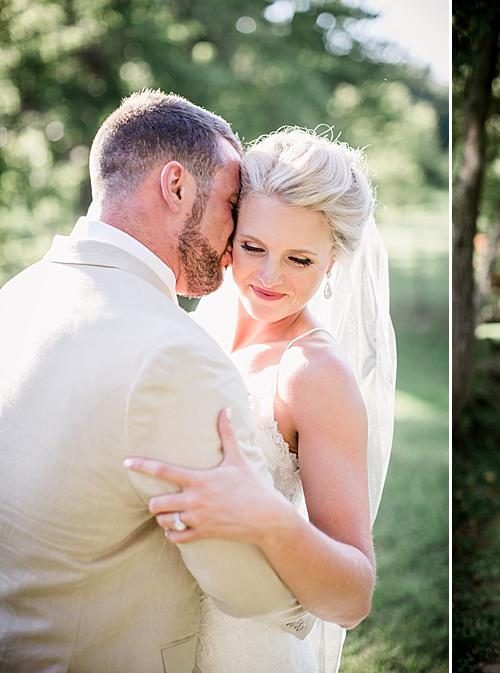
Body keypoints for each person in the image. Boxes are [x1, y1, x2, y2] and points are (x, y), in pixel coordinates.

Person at [0, 91, 311, 673]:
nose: (232, 240)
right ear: (176, 187)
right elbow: (253, 594)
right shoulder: (173, 354)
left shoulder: (16, 296)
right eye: (230, 204)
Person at [123, 127, 396, 673]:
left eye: (300, 260)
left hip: (243, 650)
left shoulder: (314, 374)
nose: (268, 278)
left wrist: (267, 516)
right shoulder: (192, 331)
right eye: (253, 248)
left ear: (334, 260)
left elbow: (354, 596)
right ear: (229, 232)